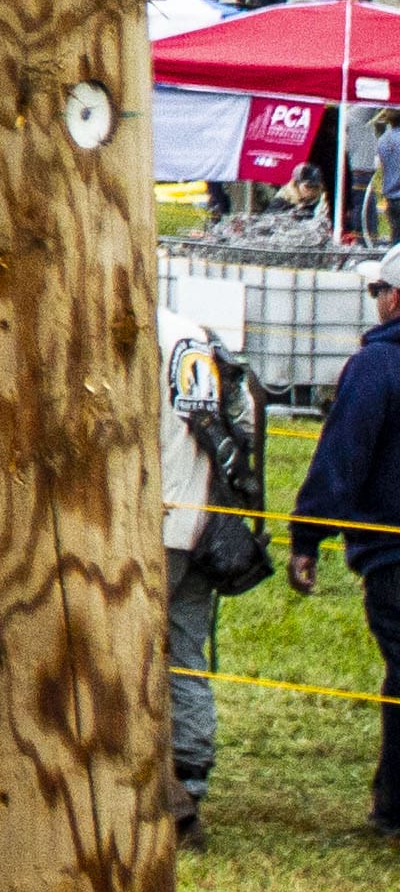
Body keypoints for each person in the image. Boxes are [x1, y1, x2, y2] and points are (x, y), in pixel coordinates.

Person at [285, 245, 400, 837]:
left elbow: (341, 459)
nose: (373, 302)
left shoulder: (378, 367)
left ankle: (395, 810)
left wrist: (306, 536)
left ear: (395, 298)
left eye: (375, 291)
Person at [167, 300, 273, 845]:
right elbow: (246, 423)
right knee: (186, 653)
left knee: (123, 651)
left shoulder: (141, 334)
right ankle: (190, 775)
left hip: (152, 523)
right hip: (203, 522)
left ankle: (159, 789)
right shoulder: (199, 337)